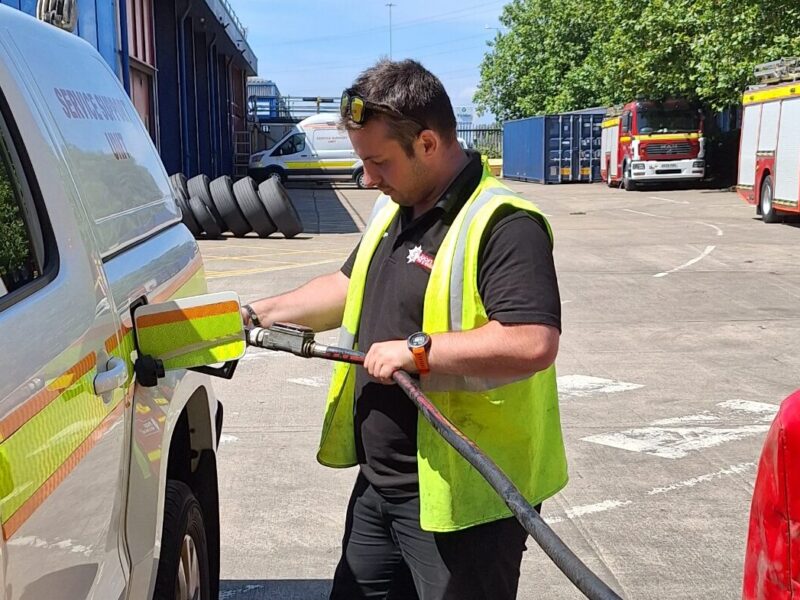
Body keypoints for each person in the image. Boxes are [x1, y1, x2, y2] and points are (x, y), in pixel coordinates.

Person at [240, 59, 568, 600]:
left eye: (379, 162)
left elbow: (532, 340)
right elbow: (349, 288)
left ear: (429, 144)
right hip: (382, 488)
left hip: (466, 499)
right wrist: (259, 314)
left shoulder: (503, 223)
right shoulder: (394, 208)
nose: (368, 178)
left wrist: (417, 351)